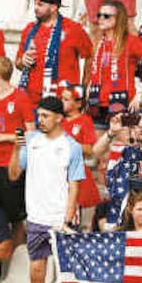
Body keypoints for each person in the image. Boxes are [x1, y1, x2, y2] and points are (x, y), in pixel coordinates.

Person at [9, 95, 85, 283]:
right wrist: (16, 148)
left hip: (61, 219)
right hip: (36, 218)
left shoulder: (72, 146)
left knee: (68, 276)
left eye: (45, 116)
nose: (40, 119)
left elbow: (74, 186)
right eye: (39, 115)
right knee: (35, 274)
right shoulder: (31, 140)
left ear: (59, 117)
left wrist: (67, 220)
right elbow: (14, 174)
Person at [0, 56, 36, 235]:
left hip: (11, 164)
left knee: (14, 216)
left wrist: (3, 137)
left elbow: (31, 134)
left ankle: (16, 256)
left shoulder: (20, 97)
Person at [84, 0, 142, 126]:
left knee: (120, 145)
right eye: (99, 15)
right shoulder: (99, 42)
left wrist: (141, 92)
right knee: (98, 145)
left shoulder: (132, 41)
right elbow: (97, 70)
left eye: (106, 16)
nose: (101, 19)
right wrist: (89, 88)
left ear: (118, 18)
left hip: (121, 103)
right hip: (96, 104)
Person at [16, 0, 93, 105]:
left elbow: (90, 56)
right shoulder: (29, 29)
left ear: (53, 7)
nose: (36, 8)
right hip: (31, 98)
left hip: (62, 99)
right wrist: (23, 61)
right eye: (35, 4)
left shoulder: (73, 29)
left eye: (40, 5)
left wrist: (84, 86)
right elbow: (17, 63)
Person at [59, 84, 101, 222]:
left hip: (77, 171)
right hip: (60, 172)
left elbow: (89, 150)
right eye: (62, 98)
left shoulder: (84, 121)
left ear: (78, 103)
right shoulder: (59, 120)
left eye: (66, 99)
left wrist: (67, 145)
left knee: (78, 218)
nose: (62, 102)